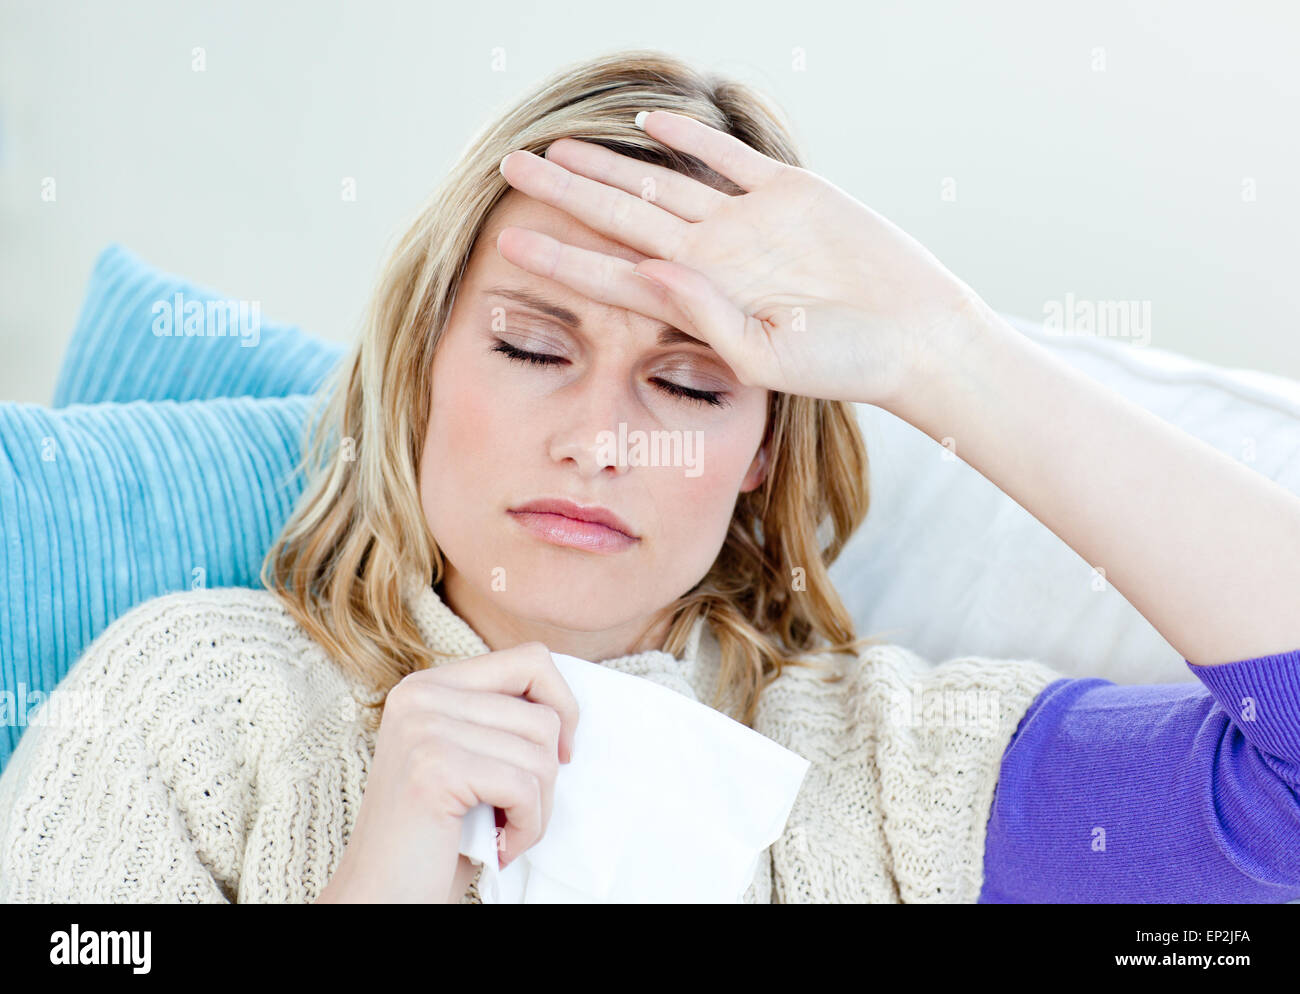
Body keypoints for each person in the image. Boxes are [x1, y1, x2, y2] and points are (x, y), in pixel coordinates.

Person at [0, 49, 1297, 904]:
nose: (603, 437)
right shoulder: (191, 708)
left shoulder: (887, 780)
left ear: (762, 450)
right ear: (417, 370)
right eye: (530, 344)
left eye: (688, 382)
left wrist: (943, 346)